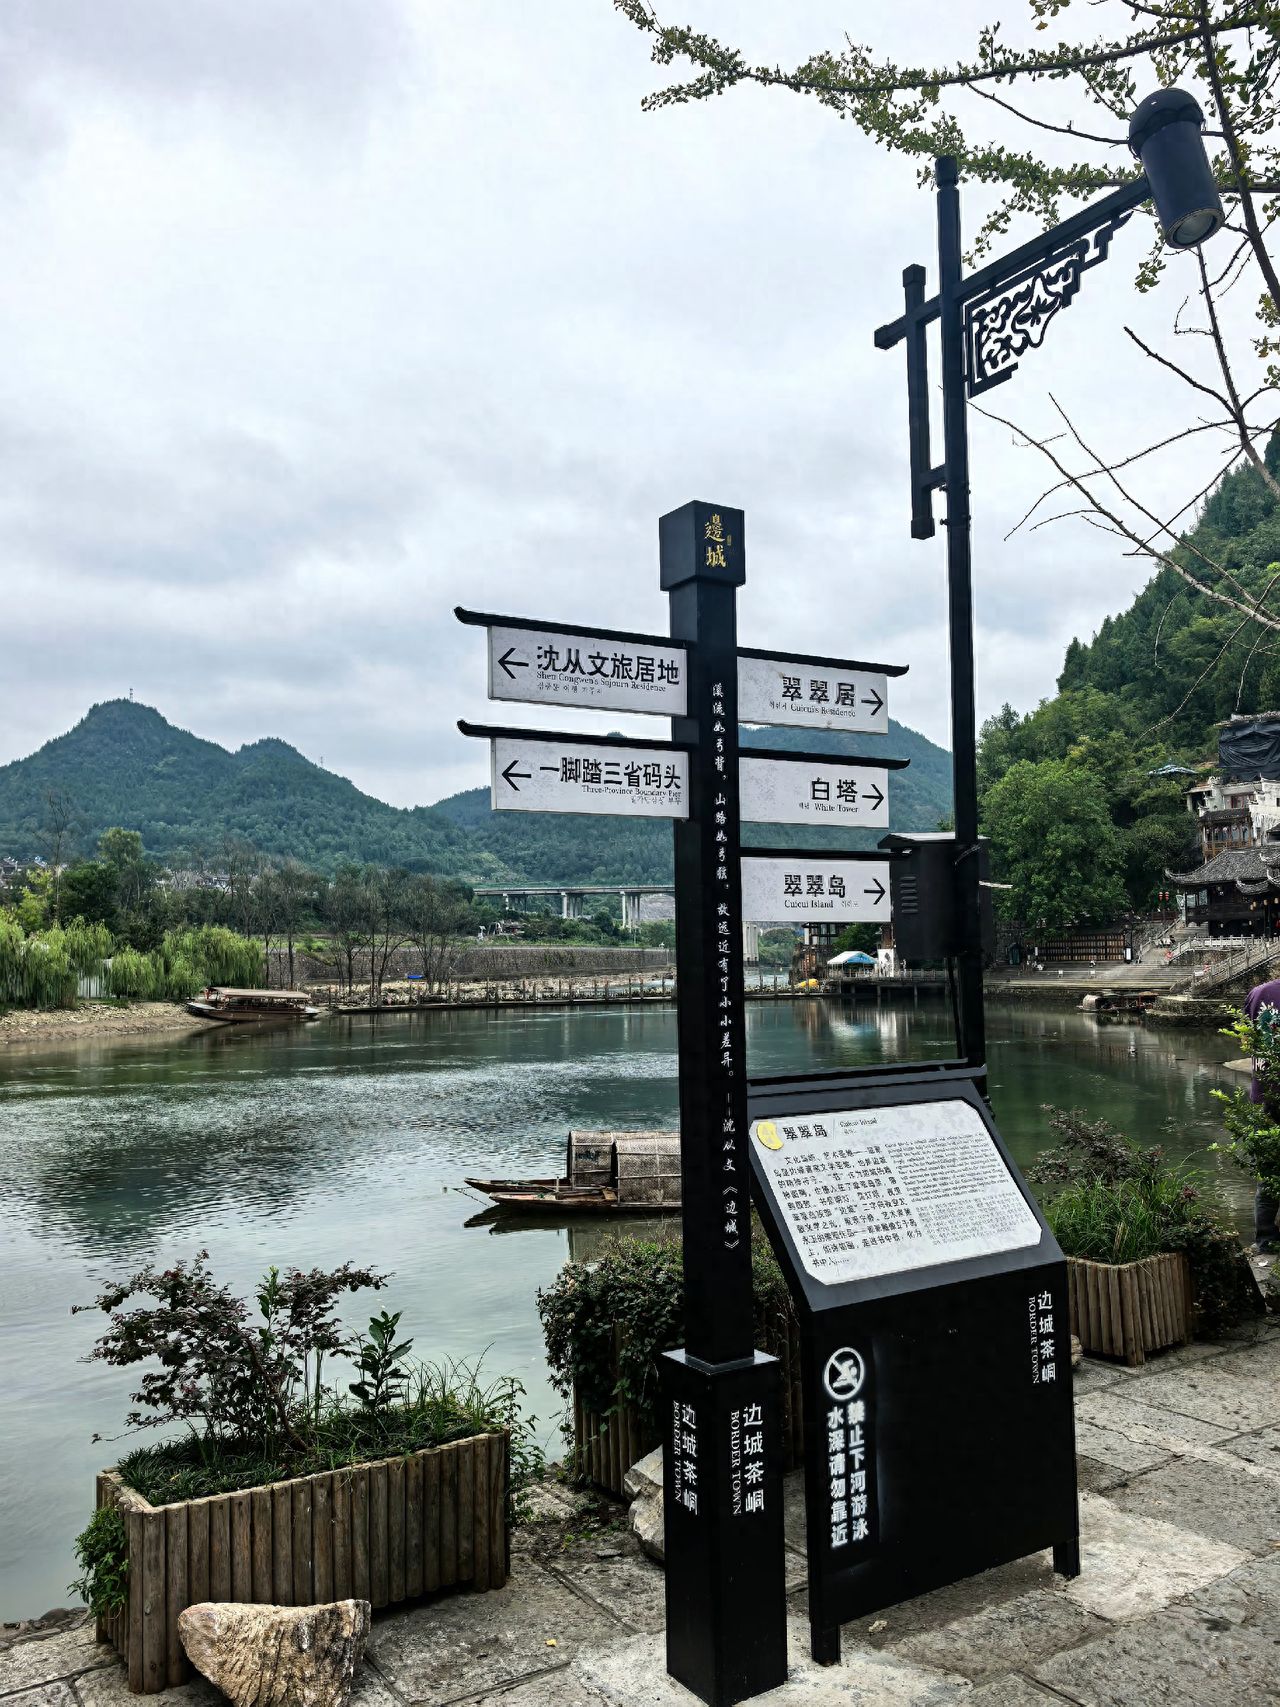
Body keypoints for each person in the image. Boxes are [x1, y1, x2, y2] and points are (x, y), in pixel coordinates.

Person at [1243, 977, 1280, 1254]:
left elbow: (1246, 1035)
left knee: (1268, 1170)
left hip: (1268, 1093)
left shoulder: (1259, 993)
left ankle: (1265, 1239)